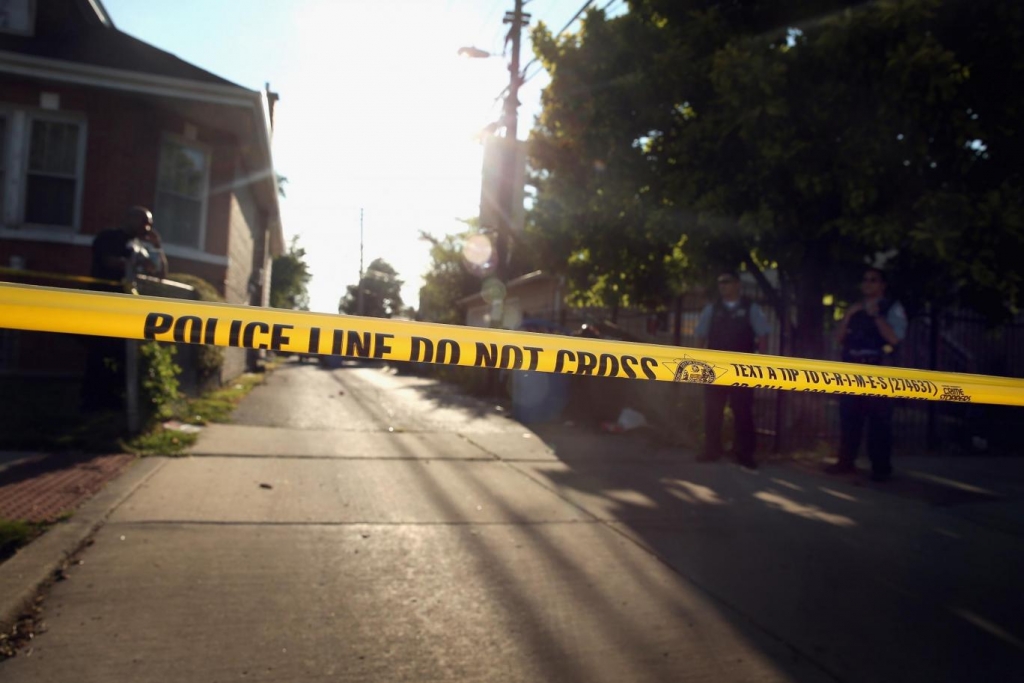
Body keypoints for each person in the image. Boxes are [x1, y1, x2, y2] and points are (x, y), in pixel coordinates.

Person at [81, 206, 167, 411]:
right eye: (145, 222)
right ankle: (91, 402)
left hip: (126, 310)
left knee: (123, 355)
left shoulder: (141, 246)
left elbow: (160, 272)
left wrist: (157, 247)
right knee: (99, 354)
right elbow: (110, 261)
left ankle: (115, 401)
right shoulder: (109, 237)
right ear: (131, 219)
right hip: (103, 306)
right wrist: (133, 263)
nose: (147, 228)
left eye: (150, 224)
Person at [826, 267, 908, 481]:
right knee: (849, 417)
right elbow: (838, 338)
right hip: (853, 368)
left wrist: (876, 317)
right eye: (865, 280)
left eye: (873, 280)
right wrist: (848, 317)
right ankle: (846, 461)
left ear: (882, 285)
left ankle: (881, 468)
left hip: (878, 368)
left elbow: (895, 339)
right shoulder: (855, 309)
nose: (868, 284)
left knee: (879, 421)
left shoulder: (891, 308)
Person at [695, 270, 770, 469]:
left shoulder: (750, 308)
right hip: (714, 367)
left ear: (737, 284)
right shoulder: (712, 309)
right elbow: (700, 336)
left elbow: (763, 336)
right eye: (720, 282)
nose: (722, 286)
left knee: (743, 411)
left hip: (741, 368)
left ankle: (745, 454)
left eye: (726, 282)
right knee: (712, 410)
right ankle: (711, 450)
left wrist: (761, 363)